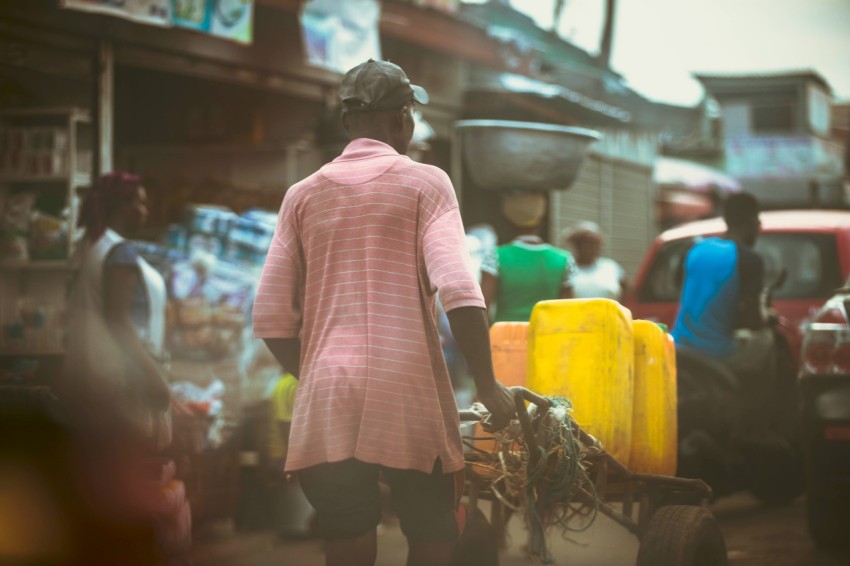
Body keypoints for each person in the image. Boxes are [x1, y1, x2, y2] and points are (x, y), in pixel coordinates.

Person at [252, 59, 515, 566]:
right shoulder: (426, 184)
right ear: (403, 120)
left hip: (328, 391)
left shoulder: (301, 196)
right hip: (406, 387)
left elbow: (269, 315)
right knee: (432, 524)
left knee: (348, 529)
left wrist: (317, 376)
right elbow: (460, 289)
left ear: (348, 122)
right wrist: (486, 386)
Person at [59, 172, 185, 563]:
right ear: (123, 207)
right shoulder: (120, 253)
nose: (146, 209)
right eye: (141, 201)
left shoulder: (91, 247)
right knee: (129, 486)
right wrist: (155, 381)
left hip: (92, 382)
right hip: (119, 388)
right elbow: (119, 320)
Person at [671, 192, 770, 373]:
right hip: (718, 353)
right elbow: (753, 322)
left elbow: (681, 288)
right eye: (758, 221)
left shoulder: (694, 248)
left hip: (678, 346)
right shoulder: (749, 259)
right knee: (767, 339)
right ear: (751, 222)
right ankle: (759, 400)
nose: (759, 227)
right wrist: (768, 318)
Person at [480, 192, 576, 322]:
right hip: (547, 337)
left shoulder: (495, 256)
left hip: (505, 339)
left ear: (507, 223)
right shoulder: (564, 259)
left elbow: (482, 308)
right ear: (542, 222)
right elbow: (568, 311)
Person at [562, 220, 628, 301]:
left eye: (597, 244)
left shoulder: (611, 267)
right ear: (577, 244)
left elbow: (627, 294)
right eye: (589, 244)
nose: (594, 248)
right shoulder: (567, 268)